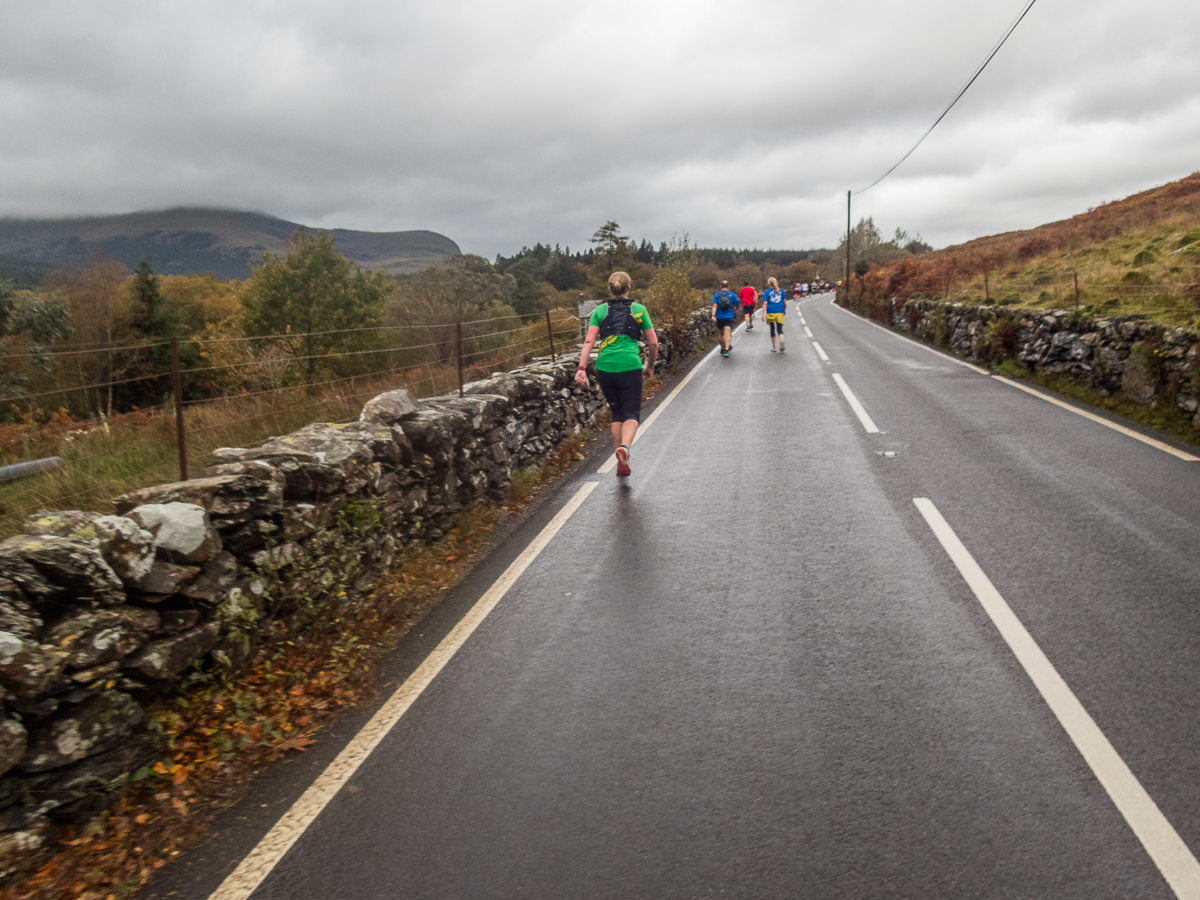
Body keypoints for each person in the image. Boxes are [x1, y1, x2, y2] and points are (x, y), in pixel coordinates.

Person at [575, 271, 658, 477]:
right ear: (629, 287)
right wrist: (649, 366)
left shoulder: (599, 311)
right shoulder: (639, 310)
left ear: (610, 289)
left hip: (605, 366)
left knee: (617, 413)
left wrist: (581, 368)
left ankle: (621, 461)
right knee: (632, 413)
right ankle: (625, 450)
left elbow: (588, 341)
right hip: (630, 364)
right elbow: (653, 342)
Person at [711, 279, 738, 358]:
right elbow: (735, 307)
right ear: (728, 287)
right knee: (728, 333)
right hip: (729, 316)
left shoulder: (716, 295)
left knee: (721, 334)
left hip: (719, 317)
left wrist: (713, 315)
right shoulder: (733, 295)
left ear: (720, 286)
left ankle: (722, 348)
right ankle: (726, 350)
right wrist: (733, 315)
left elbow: (715, 305)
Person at [761, 276, 787, 352]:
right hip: (779, 311)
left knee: (772, 329)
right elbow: (785, 302)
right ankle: (781, 339)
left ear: (769, 284)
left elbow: (765, 304)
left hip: (770, 312)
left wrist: (762, 314)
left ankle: (774, 347)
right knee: (779, 329)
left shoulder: (767, 292)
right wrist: (784, 310)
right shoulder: (781, 291)